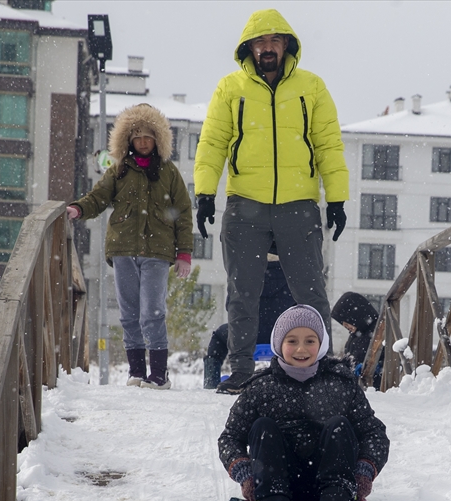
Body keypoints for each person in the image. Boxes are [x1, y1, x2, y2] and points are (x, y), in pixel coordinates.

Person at [194, 8, 349, 395]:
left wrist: (337, 199)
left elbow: (328, 144)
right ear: (249, 48)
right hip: (245, 203)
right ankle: (242, 369)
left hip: (299, 204)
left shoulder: (311, 87)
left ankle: (321, 368)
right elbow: (212, 143)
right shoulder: (231, 89)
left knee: (310, 292)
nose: (267, 49)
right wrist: (204, 193)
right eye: (260, 43)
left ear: (286, 46)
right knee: (241, 292)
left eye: (274, 42)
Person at [218, 305, 389, 501]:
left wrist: (365, 470)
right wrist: (244, 472)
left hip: (333, 488)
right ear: (279, 344)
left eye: (310, 341)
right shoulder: (260, 388)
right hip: (275, 486)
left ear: (321, 345)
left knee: (339, 425)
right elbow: (230, 438)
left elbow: (373, 433)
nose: (301, 349)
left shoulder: (340, 384)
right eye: (292, 341)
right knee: (263, 426)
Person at [67, 103, 193, 389]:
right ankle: (136, 372)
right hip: (123, 250)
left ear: (158, 140)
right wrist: (78, 209)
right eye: (138, 137)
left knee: (153, 312)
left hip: (157, 253)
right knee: (129, 313)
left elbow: (183, 213)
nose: (144, 142)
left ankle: (159, 375)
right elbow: (98, 197)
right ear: (129, 140)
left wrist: (184, 253)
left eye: (149, 137)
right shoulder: (119, 170)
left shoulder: (169, 173)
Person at [203, 242, 295, 389]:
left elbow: (231, 308)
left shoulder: (244, 274)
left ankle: (211, 383)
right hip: (281, 338)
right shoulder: (292, 278)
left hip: (246, 336)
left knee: (219, 337)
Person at [330, 292, 380, 371]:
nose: (345, 326)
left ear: (355, 315)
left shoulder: (378, 332)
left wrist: (375, 368)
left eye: (346, 322)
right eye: (342, 324)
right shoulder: (356, 334)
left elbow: (388, 361)